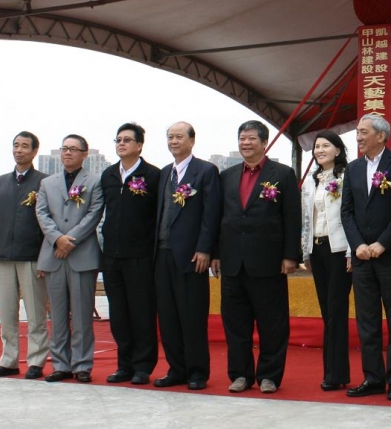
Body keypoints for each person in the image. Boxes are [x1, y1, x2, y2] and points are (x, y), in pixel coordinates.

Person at [215, 120, 301, 394]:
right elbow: (218, 218)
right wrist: (216, 254)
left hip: (268, 261)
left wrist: (290, 255)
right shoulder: (226, 176)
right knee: (235, 324)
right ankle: (240, 374)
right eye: (242, 138)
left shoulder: (282, 174)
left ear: (264, 143)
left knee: (272, 324)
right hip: (232, 262)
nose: (246, 143)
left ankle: (269, 376)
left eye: (252, 138)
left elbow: (292, 217)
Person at [340, 113, 391, 401]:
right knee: (367, 321)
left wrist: (383, 242)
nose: (358, 137)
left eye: (363, 132)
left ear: (381, 136)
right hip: (362, 258)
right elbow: (346, 211)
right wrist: (357, 244)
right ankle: (372, 377)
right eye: (357, 132)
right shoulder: (354, 168)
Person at [154, 122, 222, 391]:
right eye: (170, 137)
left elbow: (211, 213)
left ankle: (197, 371)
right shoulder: (164, 173)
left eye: (179, 137)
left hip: (192, 255)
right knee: (168, 316)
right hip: (162, 254)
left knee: (192, 315)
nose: (173, 141)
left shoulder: (205, 171)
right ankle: (176, 369)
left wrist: (205, 249)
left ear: (192, 141)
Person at [36, 135, 105, 383]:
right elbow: (42, 213)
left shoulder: (95, 181)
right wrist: (57, 239)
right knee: (57, 314)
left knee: (82, 314)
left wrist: (69, 241)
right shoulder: (47, 183)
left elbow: (94, 214)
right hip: (53, 254)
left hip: (82, 255)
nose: (67, 153)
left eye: (73, 149)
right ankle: (60, 364)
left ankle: (82, 364)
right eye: (64, 148)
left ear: (84, 154)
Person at [0, 131, 50, 379]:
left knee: (35, 313)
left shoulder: (44, 183)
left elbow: (49, 224)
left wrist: (45, 259)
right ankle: (8, 360)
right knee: (8, 313)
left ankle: (36, 361)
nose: (19, 150)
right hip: (3, 257)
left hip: (32, 257)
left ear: (34, 151)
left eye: (24, 146)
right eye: (16, 145)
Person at [99, 122, 161, 385]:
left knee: (142, 314)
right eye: (118, 140)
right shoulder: (109, 175)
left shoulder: (153, 175)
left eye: (127, 140)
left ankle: (143, 366)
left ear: (139, 145)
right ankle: (124, 365)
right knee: (119, 315)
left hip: (141, 257)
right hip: (111, 257)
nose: (121, 144)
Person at [300, 130, 352, 391]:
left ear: (338, 150)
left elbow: (351, 216)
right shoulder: (311, 181)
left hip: (339, 250)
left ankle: (336, 374)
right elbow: (306, 218)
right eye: (317, 147)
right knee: (326, 312)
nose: (319, 150)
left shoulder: (346, 177)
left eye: (325, 146)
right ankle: (332, 372)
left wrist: (351, 251)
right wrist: (305, 251)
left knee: (336, 311)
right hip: (317, 250)